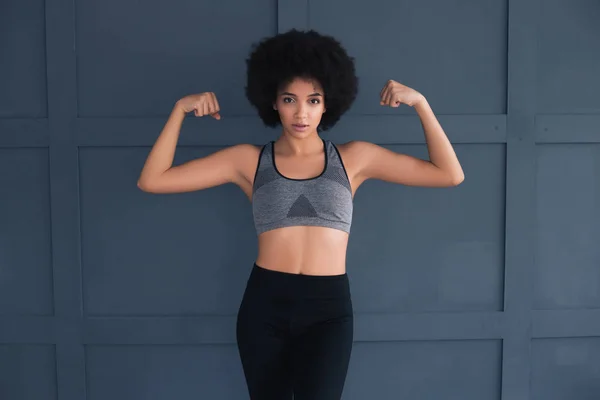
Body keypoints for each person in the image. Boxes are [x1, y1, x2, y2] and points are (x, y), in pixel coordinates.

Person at [137, 29, 464, 400]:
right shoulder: (246, 160)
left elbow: (449, 174)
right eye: (290, 99)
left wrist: (421, 103)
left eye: (313, 100)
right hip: (265, 305)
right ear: (274, 102)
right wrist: (179, 111)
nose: (302, 112)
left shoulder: (355, 158)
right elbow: (153, 180)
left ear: (328, 104)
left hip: (329, 309)